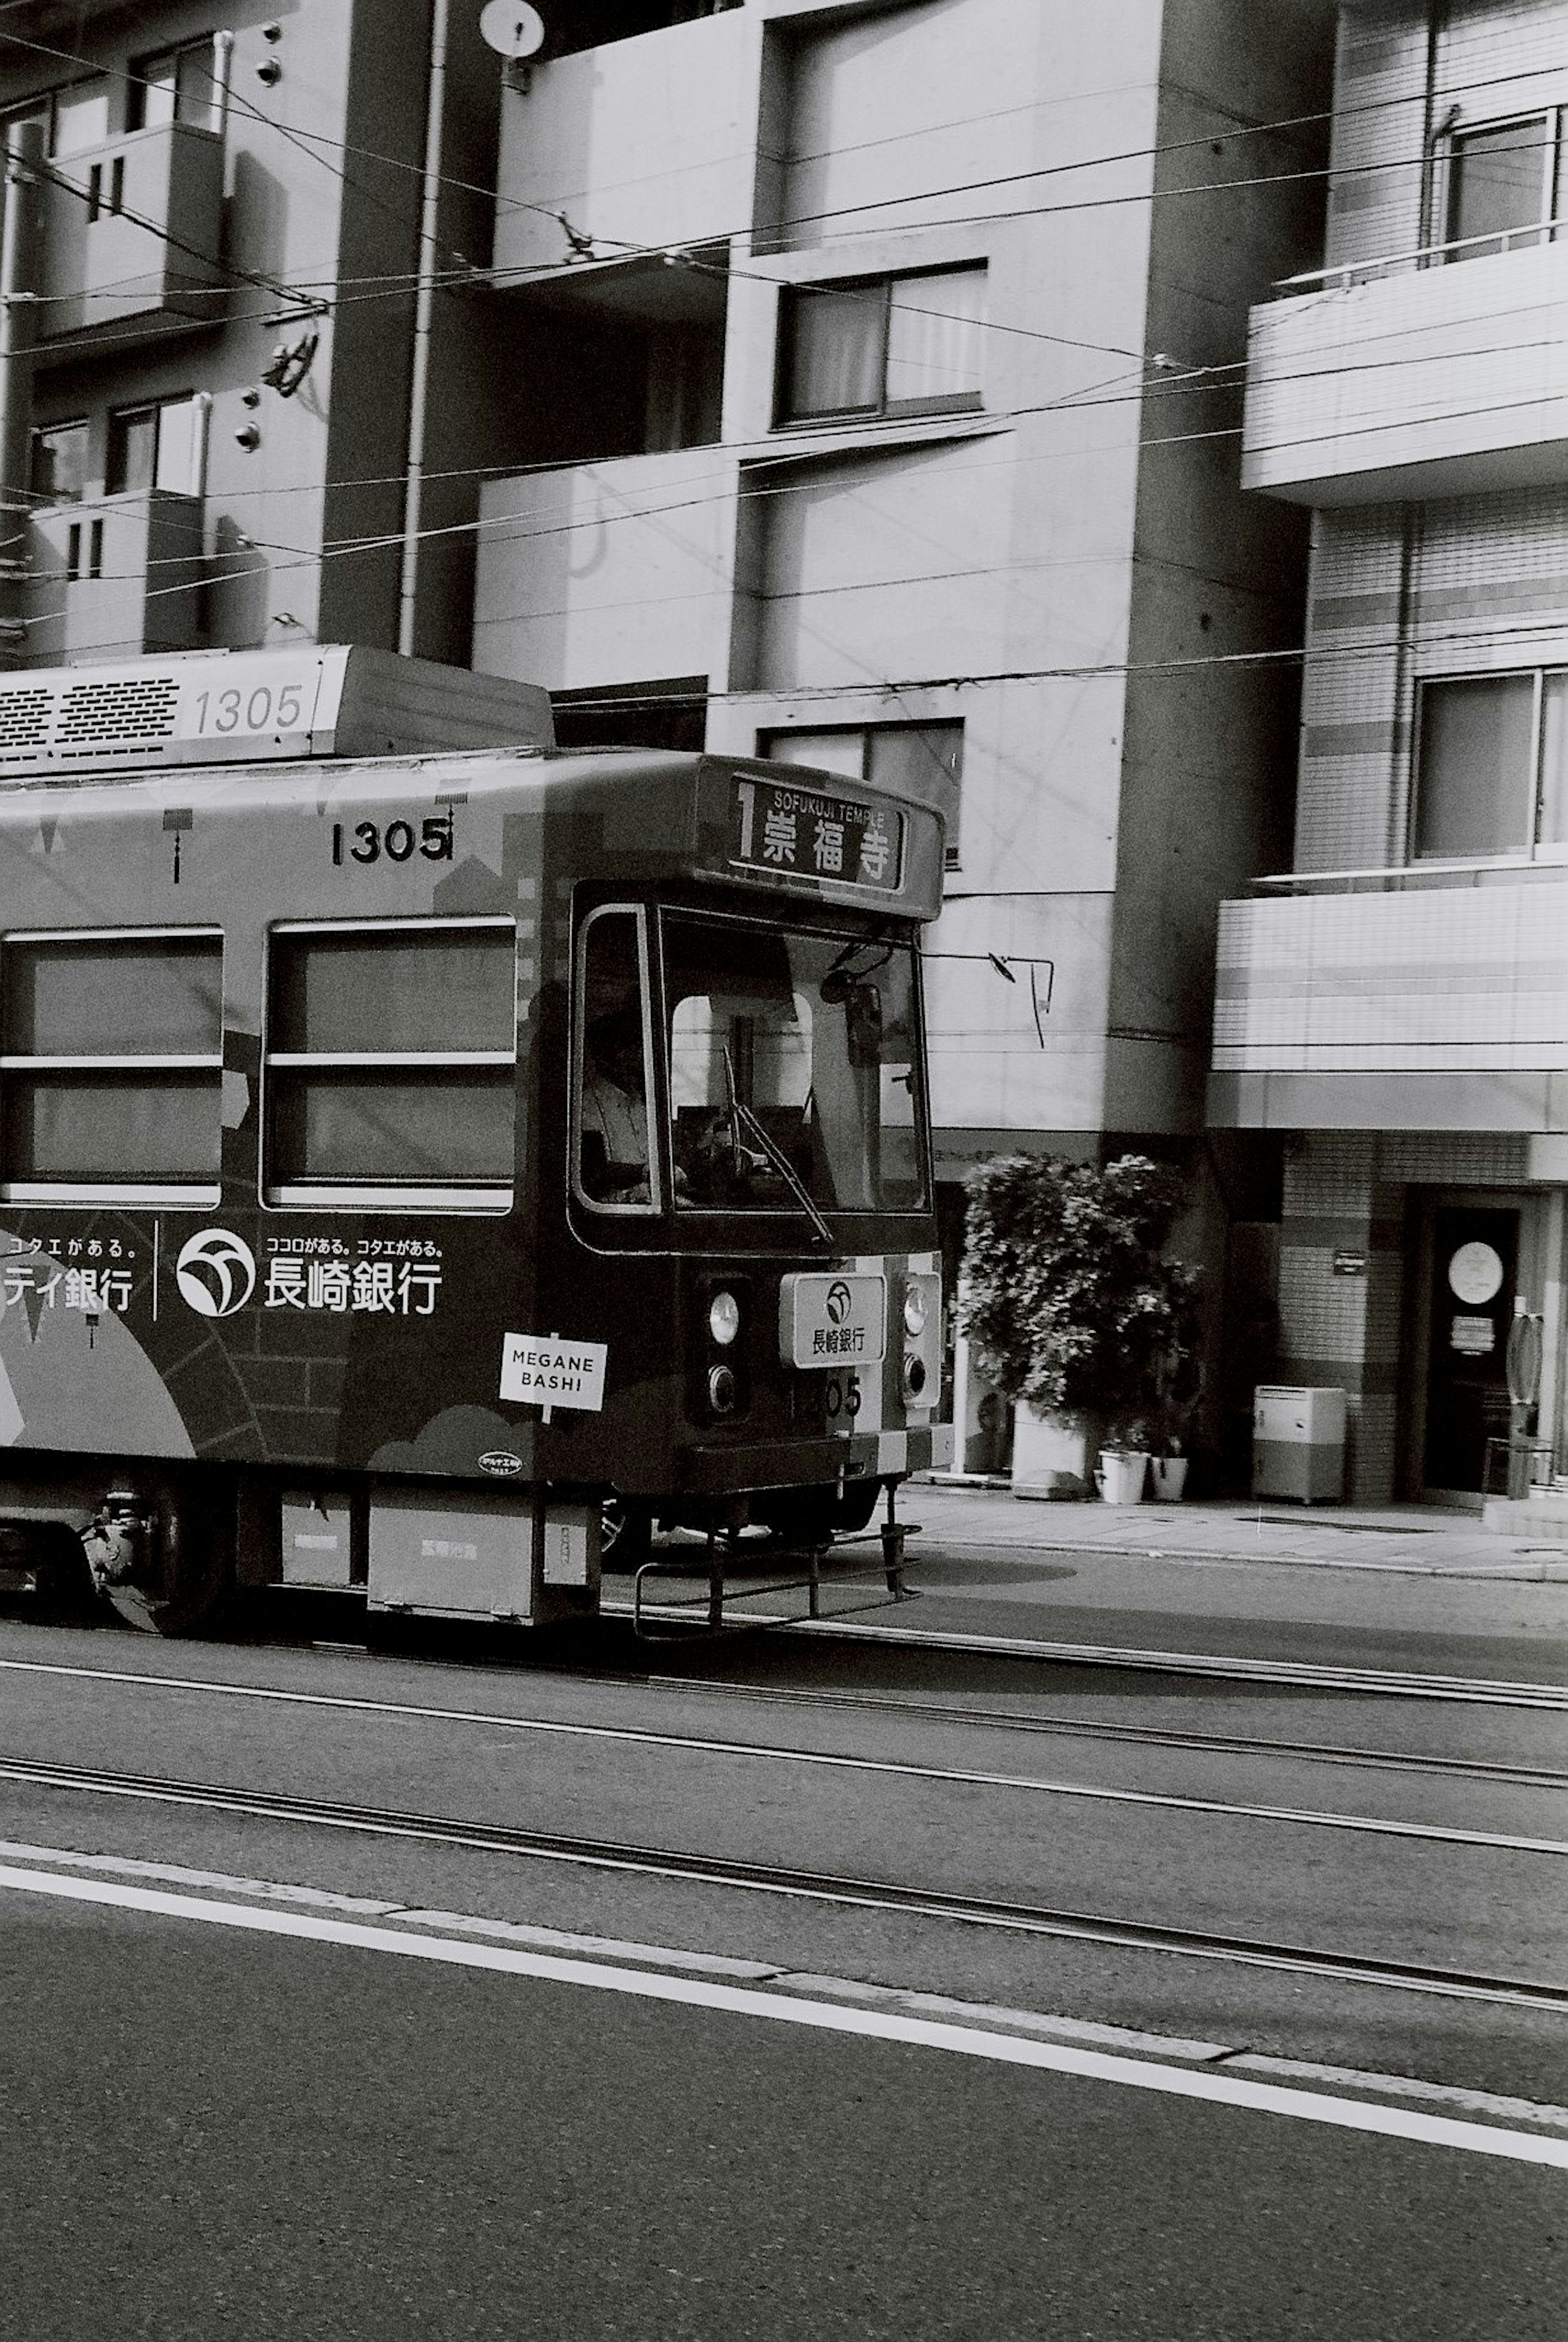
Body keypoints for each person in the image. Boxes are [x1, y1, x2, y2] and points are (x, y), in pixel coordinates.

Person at [580, 1007, 650, 1201]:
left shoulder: (642, 1105)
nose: (637, 1057)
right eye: (628, 1049)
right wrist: (643, 1173)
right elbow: (595, 1170)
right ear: (606, 1056)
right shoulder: (587, 1106)